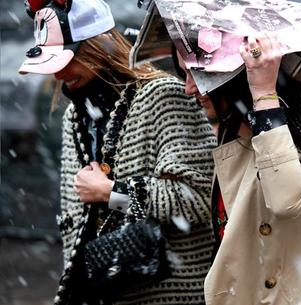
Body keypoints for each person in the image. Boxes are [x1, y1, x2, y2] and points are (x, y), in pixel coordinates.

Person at [19, 0, 216, 304]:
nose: (58, 75)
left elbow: (199, 200)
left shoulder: (163, 97)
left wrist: (113, 193)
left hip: (167, 294)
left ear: (96, 50)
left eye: (66, 60)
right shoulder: (75, 115)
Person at [174, 32, 301, 305]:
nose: (189, 89)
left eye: (198, 73)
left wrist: (264, 96)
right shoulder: (230, 126)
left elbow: (288, 200)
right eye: (185, 74)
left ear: (234, 71)